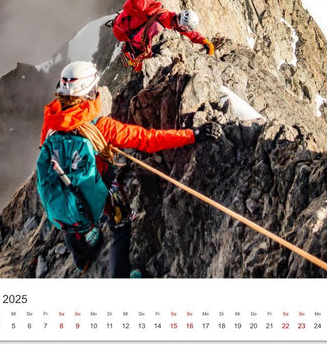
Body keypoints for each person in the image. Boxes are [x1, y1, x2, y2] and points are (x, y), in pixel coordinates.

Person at [37, 60, 223, 278]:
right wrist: (194, 134)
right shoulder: (101, 127)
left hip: (62, 190)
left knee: (71, 219)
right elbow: (147, 140)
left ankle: (82, 259)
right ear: (90, 91)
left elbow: (45, 150)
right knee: (120, 228)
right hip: (102, 187)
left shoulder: (51, 121)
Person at [111, 0, 215, 71]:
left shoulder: (169, 17)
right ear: (183, 26)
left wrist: (203, 41)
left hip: (135, 45)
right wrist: (141, 67)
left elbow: (188, 33)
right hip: (134, 50)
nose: (187, 31)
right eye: (187, 28)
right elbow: (149, 50)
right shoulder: (159, 28)